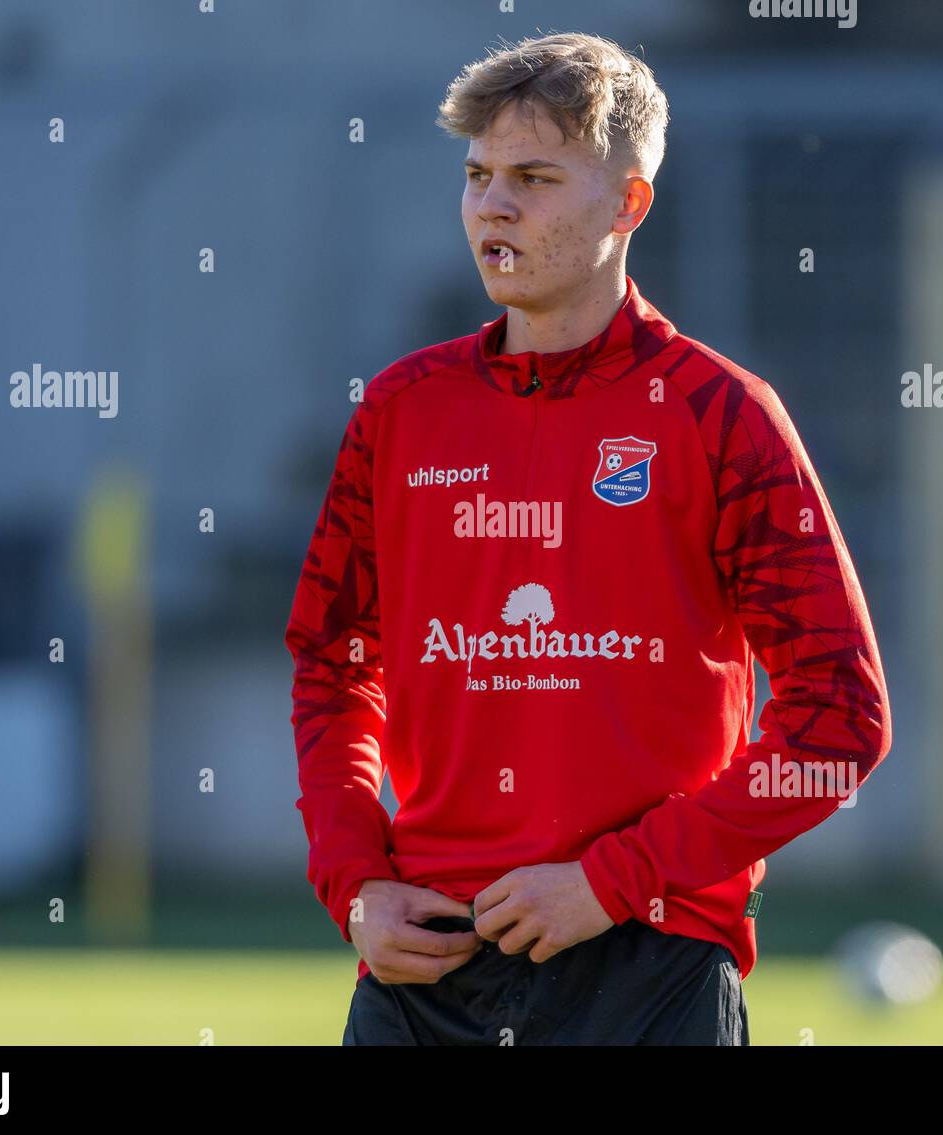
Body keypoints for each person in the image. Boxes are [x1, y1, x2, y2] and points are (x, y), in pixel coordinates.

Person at [283, 31, 892, 1046]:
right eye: (477, 176)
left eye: (533, 177)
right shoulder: (399, 412)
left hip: (644, 964)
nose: (492, 205)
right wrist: (355, 885)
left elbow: (839, 720)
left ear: (627, 205)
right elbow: (333, 664)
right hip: (423, 962)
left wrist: (613, 881)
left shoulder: (718, 413)